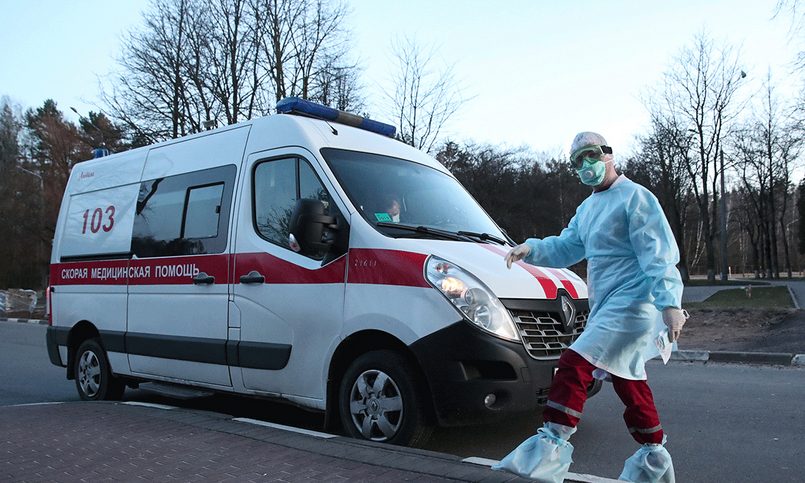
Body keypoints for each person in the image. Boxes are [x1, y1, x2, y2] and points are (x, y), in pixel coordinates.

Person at [493, 132, 687, 483]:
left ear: (609, 155)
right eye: (577, 160)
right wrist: (532, 249)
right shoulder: (588, 208)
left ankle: (547, 452)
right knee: (629, 382)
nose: (585, 165)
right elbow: (568, 246)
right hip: (607, 305)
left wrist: (670, 303)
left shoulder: (636, 198)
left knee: (574, 363)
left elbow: (657, 254)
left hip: (634, 305)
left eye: (591, 155)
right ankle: (654, 458)